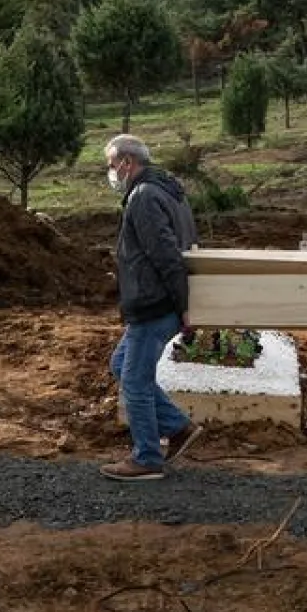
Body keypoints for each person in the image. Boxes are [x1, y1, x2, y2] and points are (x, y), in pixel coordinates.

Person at [100, 134, 204, 481]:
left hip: (154, 303)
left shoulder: (144, 197)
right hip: (155, 301)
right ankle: (177, 427)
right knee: (121, 365)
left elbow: (167, 256)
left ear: (127, 163)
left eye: (112, 166)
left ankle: (147, 458)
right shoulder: (168, 191)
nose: (111, 173)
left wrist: (183, 306)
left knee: (135, 381)